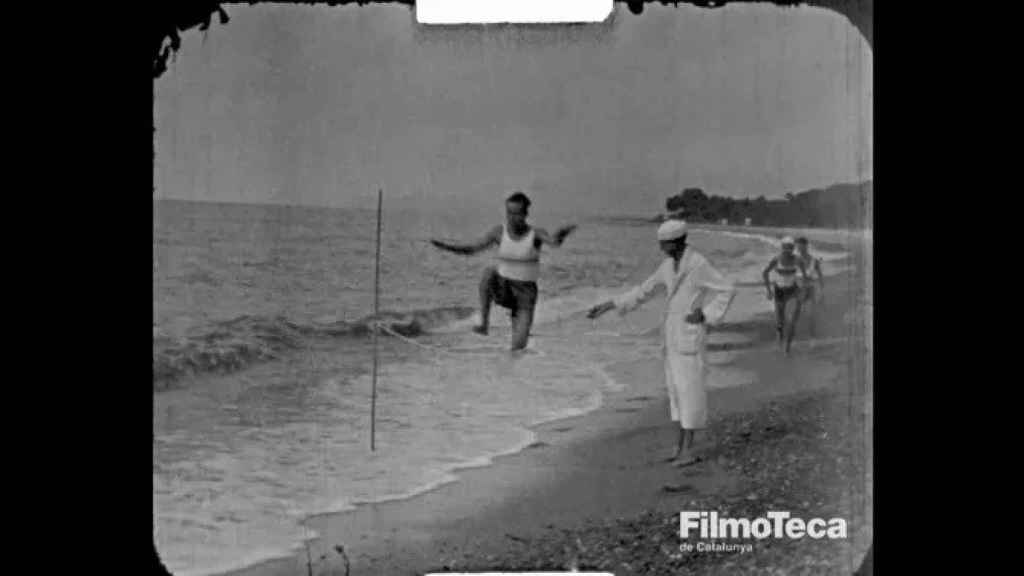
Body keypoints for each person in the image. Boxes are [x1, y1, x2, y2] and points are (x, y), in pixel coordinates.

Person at [587, 220, 735, 467]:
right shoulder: (668, 266)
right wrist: (610, 304)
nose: (660, 247)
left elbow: (727, 288)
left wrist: (706, 314)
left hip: (689, 335)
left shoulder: (698, 264)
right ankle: (680, 448)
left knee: (690, 392)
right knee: (676, 393)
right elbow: (645, 290)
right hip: (672, 337)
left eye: (664, 243)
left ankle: (688, 450)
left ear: (676, 242)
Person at [430, 191, 576, 351]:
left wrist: (561, 234)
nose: (512, 217)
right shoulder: (499, 232)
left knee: (518, 349)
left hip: (525, 296)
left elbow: (554, 242)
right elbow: (472, 248)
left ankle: (510, 371)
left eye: (517, 213)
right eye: (509, 213)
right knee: (489, 272)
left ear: (525, 214)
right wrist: (447, 247)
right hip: (504, 288)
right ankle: (484, 324)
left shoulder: (536, 233)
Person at [761, 236, 808, 354]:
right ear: (781, 248)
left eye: (790, 248)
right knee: (780, 323)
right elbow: (765, 273)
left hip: (793, 291)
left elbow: (805, 276)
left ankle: (787, 348)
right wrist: (768, 290)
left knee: (792, 321)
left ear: (793, 248)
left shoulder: (798, 260)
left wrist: (803, 290)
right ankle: (780, 342)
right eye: (785, 247)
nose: (788, 250)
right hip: (779, 292)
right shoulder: (776, 259)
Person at [795, 236, 825, 337]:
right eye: (798, 247)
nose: (800, 249)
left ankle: (813, 335)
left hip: (810, 289)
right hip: (797, 289)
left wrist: (822, 292)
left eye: (802, 246)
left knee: (810, 314)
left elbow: (820, 276)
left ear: (806, 246)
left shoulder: (814, 260)